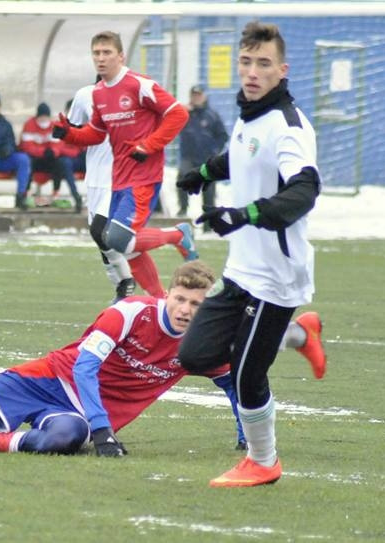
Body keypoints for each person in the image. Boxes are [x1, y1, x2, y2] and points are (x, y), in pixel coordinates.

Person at [0, 261, 326, 456]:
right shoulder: (128, 313)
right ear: (168, 295)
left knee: (64, 441)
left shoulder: (198, 346)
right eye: (180, 299)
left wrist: (245, 434)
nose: (185, 310)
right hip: (40, 381)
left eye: (197, 306)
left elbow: (235, 382)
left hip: (73, 415)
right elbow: (85, 367)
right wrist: (104, 429)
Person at [176, 21, 322, 488]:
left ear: (283, 69)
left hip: (277, 275)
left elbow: (304, 190)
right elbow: (241, 156)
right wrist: (202, 173)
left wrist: (245, 214)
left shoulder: (290, 127)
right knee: (195, 354)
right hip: (241, 268)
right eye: (246, 61)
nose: (253, 71)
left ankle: (263, 461)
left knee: (246, 374)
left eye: (263, 63)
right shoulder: (248, 115)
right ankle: (297, 335)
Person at [53, 31, 197, 299]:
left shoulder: (140, 85)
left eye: (107, 52)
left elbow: (178, 114)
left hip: (143, 176)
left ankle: (177, 235)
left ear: (121, 56)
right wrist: (69, 134)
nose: (101, 58)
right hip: (119, 178)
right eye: (96, 53)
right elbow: (97, 133)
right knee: (125, 246)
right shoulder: (98, 93)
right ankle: (158, 300)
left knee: (117, 239)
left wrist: (149, 145)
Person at [67, 77, 135, 302]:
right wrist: (66, 132)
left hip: (119, 178)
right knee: (101, 240)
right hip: (94, 179)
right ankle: (121, 293)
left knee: (101, 231)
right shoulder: (84, 95)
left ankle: (126, 281)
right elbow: (74, 128)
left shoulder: (132, 96)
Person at [177, 85, 228, 219]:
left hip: (206, 158)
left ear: (204, 97)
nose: (196, 98)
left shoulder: (212, 115)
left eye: (199, 95)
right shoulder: (184, 113)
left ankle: (208, 218)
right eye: (194, 95)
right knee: (183, 180)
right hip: (188, 156)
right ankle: (182, 209)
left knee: (208, 188)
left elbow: (222, 136)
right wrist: (180, 111)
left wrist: (215, 151)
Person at [20, 102, 82, 212]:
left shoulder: (54, 125)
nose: (44, 119)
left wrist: (53, 151)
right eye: (41, 117)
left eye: (46, 117)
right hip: (35, 159)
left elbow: (58, 145)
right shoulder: (29, 125)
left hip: (50, 159)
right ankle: (25, 195)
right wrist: (43, 151)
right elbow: (27, 146)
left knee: (60, 162)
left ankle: (57, 193)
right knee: (27, 162)